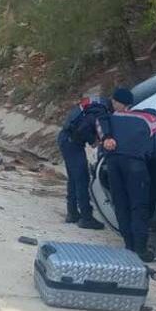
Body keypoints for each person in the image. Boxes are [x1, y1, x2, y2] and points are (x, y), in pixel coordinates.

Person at [99, 87, 156, 262]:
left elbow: (102, 140)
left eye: (114, 101)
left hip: (113, 164)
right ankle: (141, 249)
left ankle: (129, 245)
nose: (112, 103)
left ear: (119, 102)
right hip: (136, 165)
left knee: (120, 204)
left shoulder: (110, 119)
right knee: (139, 206)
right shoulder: (151, 120)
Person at [57, 95, 109, 230]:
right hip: (72, 143)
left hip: (66, 139)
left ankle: (72, 213)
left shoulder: (94, 106)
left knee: (74, 178)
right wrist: (93, 140)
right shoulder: (100, 112)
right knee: (82, 178)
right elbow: (83, 128)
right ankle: (86, 217)